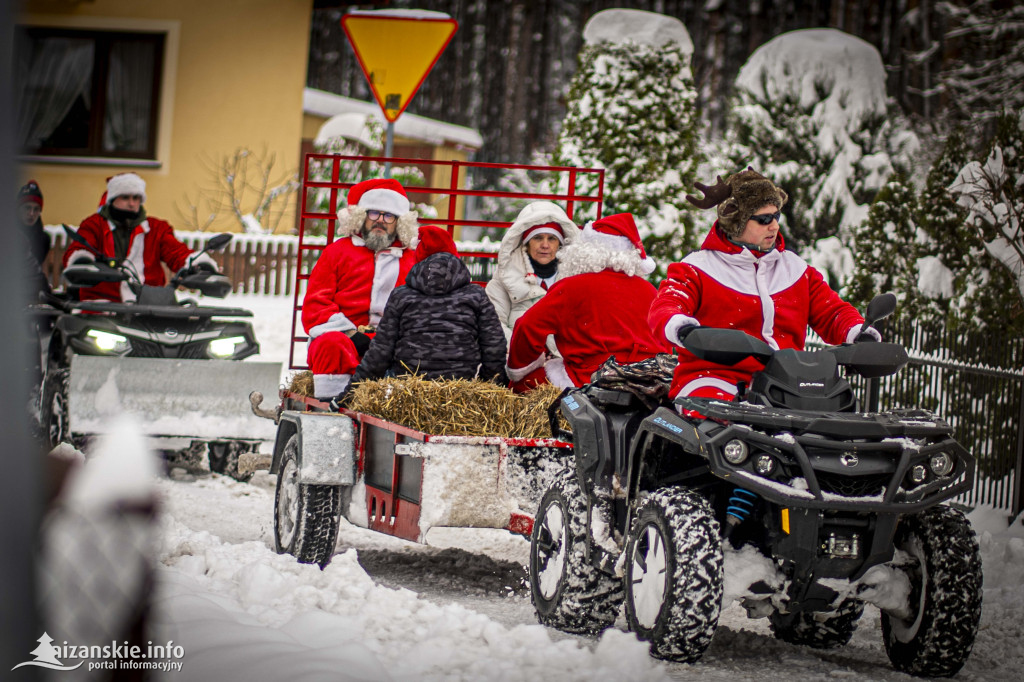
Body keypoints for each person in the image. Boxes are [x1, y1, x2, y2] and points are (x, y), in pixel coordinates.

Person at [648, 168, 880, 404]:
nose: (774, 226)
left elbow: (832, 311)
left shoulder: (797, 271)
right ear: (736, 221)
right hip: (713, 379)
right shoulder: (697, 268)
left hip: (786, 383)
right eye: (763, 219)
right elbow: (667, 305)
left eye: (776, 216)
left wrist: (857, 332)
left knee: (835, 419)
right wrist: (683, 328)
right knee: (714, 422)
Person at [506, 213, 669, 392]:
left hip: (590, 377)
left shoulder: (571, 287)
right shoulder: (650, 290)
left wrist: (521, 367)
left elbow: (528, 325)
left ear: (583, 250)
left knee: (523, 386)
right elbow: (666, 338)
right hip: (647, 379)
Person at [346, 225, 508, 391]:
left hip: (406, 390)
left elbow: (379, 354)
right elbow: (494, 347)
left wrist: (348, 395)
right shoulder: (476, 295)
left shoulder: (402, 296)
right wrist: (489, 387)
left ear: (419, 256)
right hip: (461, 388)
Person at [302, 177, 419, 400]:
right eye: (374, 213)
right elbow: (316, 306)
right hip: (344, 339)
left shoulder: (412, 260)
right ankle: (335, 402)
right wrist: (351, 334)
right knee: (330, 344)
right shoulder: (337, 252)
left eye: (389, 215)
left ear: (398, 222)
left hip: (393, 341)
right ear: (362, 216)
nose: (380, 221)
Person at [64, 173, 218, 303]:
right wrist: (82, 262)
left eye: (136, 198)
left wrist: (196, 264)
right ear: (112, 199)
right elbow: (81, 247)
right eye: (125, 197)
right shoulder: (94, 225)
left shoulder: (156, 228)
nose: (131, 203)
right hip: (102, 307)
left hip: (146, 306)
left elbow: (176, 252)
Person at [485, 201, 581, 345]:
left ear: (560, 244)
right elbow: (493, 323)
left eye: (552, 238)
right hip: (519, 363)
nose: (545, 245)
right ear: (526, 242)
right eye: (537, 238)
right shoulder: (505, 278)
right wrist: (524, 354)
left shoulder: (576, 279)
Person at [17, 180, 52, 297]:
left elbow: (35, 271)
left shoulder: (43, 239)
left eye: (36, 209)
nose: (31, 213)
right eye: (27, 208)